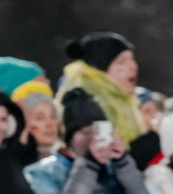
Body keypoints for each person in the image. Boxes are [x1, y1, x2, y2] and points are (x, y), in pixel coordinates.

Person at [24, 88, 159, 194]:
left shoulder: (117, 169)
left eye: (98, 131)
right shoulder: (44, 172)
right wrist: (89, 164)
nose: (92, 139)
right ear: (70, 138)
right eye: (85, 132)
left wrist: (124, 163)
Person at [58, 32, 160, 169]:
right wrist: (154, 138)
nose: (133, 66)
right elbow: (105, 166)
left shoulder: (122, 101)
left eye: (131, 59)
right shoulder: (82, 104)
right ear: (100, 71)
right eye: (121, 62)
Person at [12, 81, 62, 161]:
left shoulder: (69, 160)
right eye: (39, 118)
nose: (49, 124)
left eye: (53, 117)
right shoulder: (15, 162)